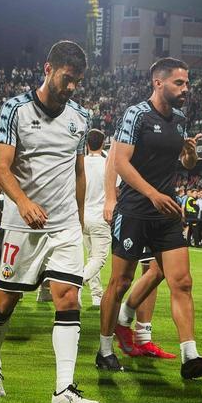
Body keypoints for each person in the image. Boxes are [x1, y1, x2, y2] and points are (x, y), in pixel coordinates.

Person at [0, 40, 99, 403]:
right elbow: (1, 167)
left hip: (63, 226)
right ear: (48, 69)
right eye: (67, 78)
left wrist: (79, 218)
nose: (72, 87)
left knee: (68, 298)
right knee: (6, 300)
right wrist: (23, 202)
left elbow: (78, 172)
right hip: (22, 225)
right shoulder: (14, 109)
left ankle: (64, 390)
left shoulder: (80, 117)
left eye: (78, 81)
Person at [97, 57, 202, 379]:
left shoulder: (180, 118)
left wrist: (189, 155)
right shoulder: (136, 114)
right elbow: (120, 162)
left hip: (166, 211)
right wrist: (143, 195)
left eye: (187, 82)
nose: (186, 88)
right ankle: (105, 349)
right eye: (179, 83)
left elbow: (182, 163)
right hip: (135, 209)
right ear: (158, 83)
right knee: (120, 282)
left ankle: (190, 357)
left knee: (181, 281)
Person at [81, 129, 111, 307]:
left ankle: (96, 295)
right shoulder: (108, 164)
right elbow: (116, 190)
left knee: (91, 257)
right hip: (100, 216)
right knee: (99, 258)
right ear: (104, 144)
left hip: (83, 216)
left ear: (86, 144)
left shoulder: (80, 163)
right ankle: (77, 281)